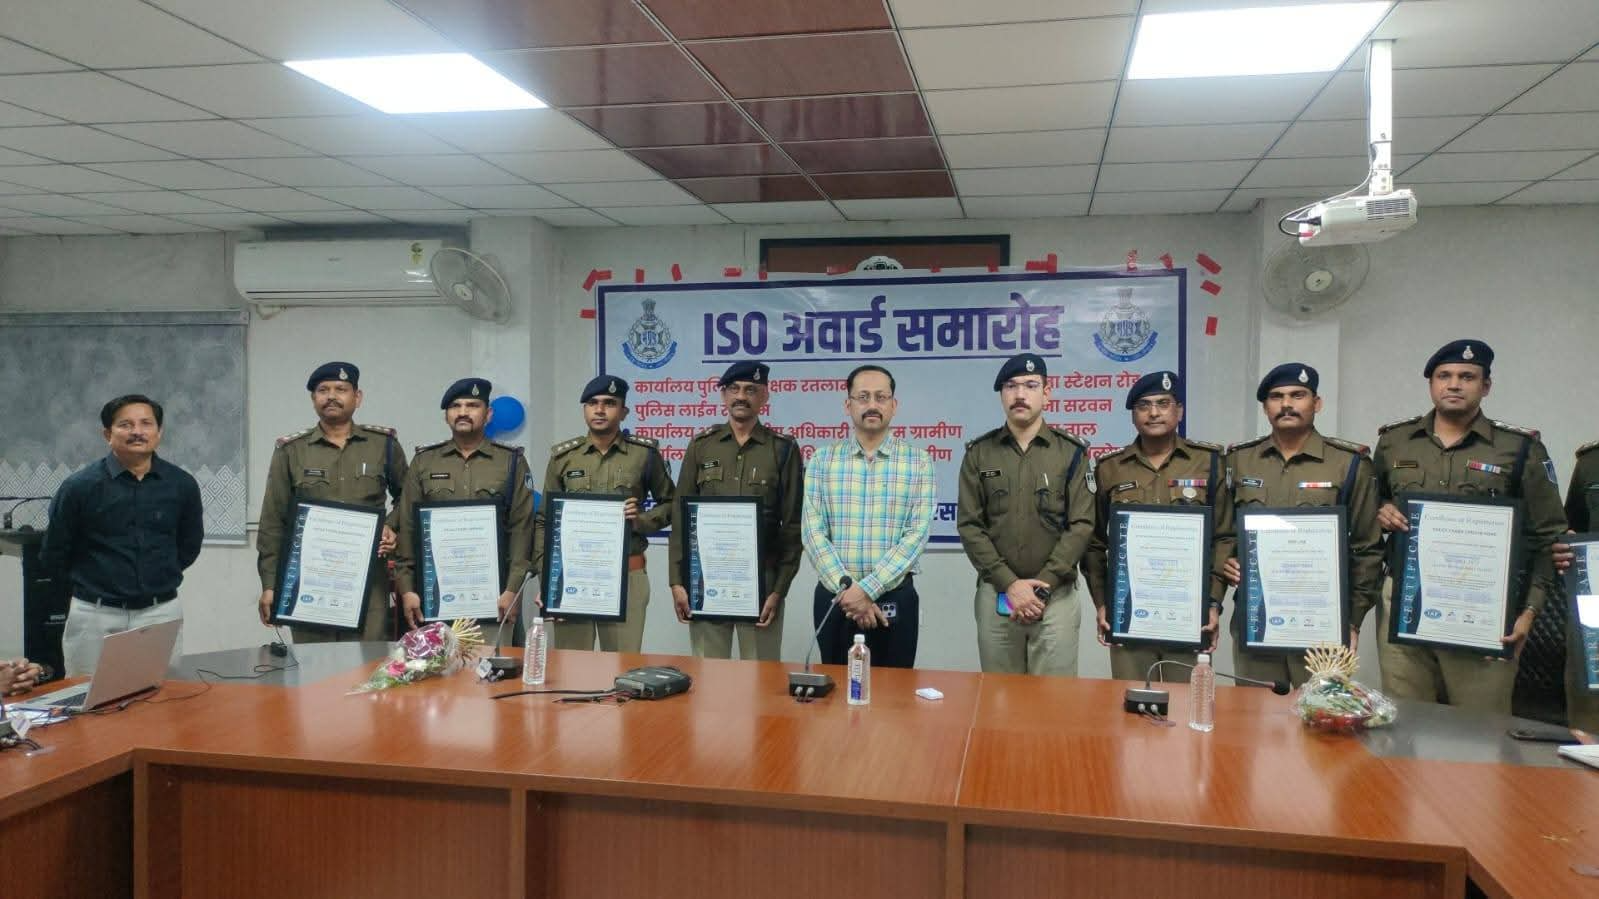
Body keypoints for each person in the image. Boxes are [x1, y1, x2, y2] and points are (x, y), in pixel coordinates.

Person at [1372, 340, 1566, 713]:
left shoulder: (1519, 448)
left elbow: (1549, 538)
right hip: (1404, 599)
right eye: (1444, 376)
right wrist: (1382, 509)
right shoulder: (1394, 442)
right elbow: (1371, 502)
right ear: (1431, 384)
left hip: (1485, 606)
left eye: (1467, 376)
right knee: (1405, 719)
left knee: (1481, 726)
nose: (1454, 384)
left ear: (1486, 386)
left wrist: (1528, 614)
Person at [1219, 363, 1382, 688]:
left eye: (1298, 395)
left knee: (1322, 714)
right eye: (1276, 397)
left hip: (1324, 623)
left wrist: (1351, 621)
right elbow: (1224, 533)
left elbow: (1368, 548)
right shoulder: (1239, 460)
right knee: (1254, 713)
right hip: (1257, 616)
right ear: (1265, 407)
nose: (1286, 404)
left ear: (1316, 403)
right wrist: (1228, 561)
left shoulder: (1349, 463)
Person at [39, 394, 203, 676]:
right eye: (126, 425)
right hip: (95, 614)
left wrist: (158, 577)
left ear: (159, 432)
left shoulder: (181, 485)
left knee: (163, 696)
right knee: (88, 696)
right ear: (108, 434)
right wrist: (92, 586)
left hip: (160, 612)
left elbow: (189, 545)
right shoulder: (79, 487)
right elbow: (54, 552)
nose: (137, 432)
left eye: (146, 423)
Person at [1083, 371, 1229, 681]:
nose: (1153, 413)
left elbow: (1224, 537)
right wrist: (1103, 602)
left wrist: (1213, 603)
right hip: (1129, 612)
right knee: (1133, 701)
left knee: (1187, 702)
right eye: (1143, 405)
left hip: (1190, 613)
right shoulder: (1110, 468)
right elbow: (1094, 543)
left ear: (1179, 411)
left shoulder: (1209, 462)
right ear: (1133, 415)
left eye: (1163, 404)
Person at [957, 353, 1093, 676]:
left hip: (1056, 598)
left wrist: (1043, 585)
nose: (1020, 394)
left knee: (1055, 699)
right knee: (1000, 697)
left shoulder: (1071, 453)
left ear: (1046, 394)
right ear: (1002, 395)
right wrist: (1010, 585)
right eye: (1011, 386)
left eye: (1030, 385)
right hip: (997, 596)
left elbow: (1082, 525)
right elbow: (970, 526)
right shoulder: (980, 454)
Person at [256, 362, 407, 643]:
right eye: (323, 390)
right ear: (313, 399)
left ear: (357, 397)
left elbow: (407, 498)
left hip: (368, 578)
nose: (331, 396)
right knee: (314, 662)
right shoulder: (291, 450)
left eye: (341, 389)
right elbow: (273, 520)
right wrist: (270, 584)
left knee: (367, 660)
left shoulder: (383, 445)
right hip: (309, 578)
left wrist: (390, 526)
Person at [801, 364, 935, 669]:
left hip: (894, 598)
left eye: (880, 397)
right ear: (848, 405)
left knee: (894, 693)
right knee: (835, 691)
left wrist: (867, 590)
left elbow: (916, 535)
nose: (872, 405)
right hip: (835, 599)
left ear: (893, 405)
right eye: (863, 397)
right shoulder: (822, 460)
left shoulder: (918, 462)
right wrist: (849, 593)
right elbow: (812, 532)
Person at [669, 361, 803, 661]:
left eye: (751, 390)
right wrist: (677, 581)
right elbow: (680, 517)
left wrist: (779, 590)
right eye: (734, 389)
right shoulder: (701, 446)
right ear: (723, 395)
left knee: (760, 676)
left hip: (762, 584)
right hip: (705, 580)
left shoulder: (783, 449)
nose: (741, 396)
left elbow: (793, 525)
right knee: (709, 676)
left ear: (764, 396)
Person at [535, 375, 674, 653]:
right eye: (592, 403)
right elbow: (544, 521)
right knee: (572, 667)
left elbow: (671, 504)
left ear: (624, 411)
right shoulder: (564, 458)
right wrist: (548, 577)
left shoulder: (644, 454)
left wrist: (641, 521)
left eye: (609, 403)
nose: (599, 410)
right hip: (572, 576)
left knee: (622, 666)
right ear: (584, 410)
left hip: (627, 574)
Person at [393, 378, 535, 631]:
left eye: (472, 405)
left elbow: (521, 528)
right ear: (446, 416)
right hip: (434, 594)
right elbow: (408, 527)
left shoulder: (511, 462)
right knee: (440, 657)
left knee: (492, 657)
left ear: (488, 414)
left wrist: (513, 588)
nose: (462, 412)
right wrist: (407, 589)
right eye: (455, 406)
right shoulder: (424, 461)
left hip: (496, 596)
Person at [1553, 439, 1599, 731]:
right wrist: (1565, 549)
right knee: (1589, 725)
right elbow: (1574, 530)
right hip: (1594, 611)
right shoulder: (1591, 462)